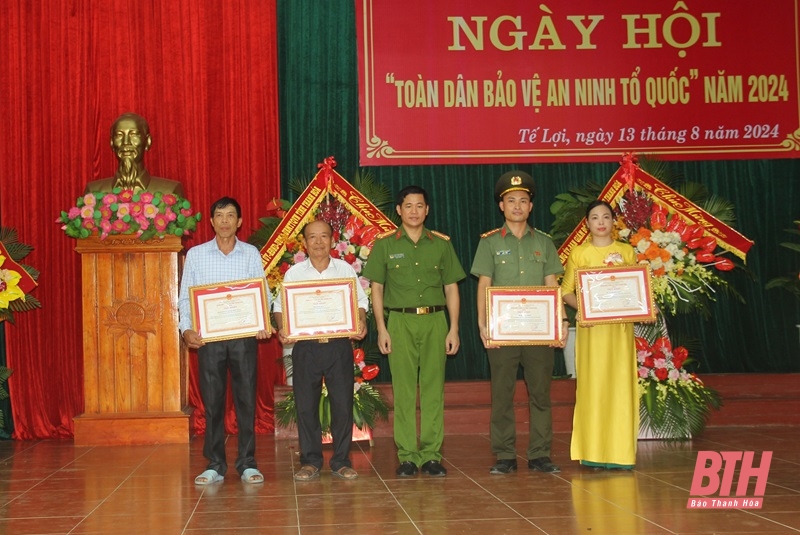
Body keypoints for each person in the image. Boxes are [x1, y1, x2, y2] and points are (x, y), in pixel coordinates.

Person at [362, 185, 465, 478]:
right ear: (398, 210)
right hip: (400, 322)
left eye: (420, 206)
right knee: (404, 390)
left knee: (433, 390)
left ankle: (431, 455)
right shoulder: (385, 245)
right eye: (408, 206)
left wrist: (454, 328)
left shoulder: (441, 244)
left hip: (435, 321)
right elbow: (377, 289)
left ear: (427, 210)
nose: (414, 211)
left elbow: (451, 288)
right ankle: (407, 455)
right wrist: (381, 328)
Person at [470, 170, 568, 475]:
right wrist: (483, 324)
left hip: (539, 333)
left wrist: (561, 322)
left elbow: (553, 285)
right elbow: (483, 285)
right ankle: (505, 454)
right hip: (503, 332)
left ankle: (540, 454)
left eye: (523, 201)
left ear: (530, 206)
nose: (517, 206)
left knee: (541, 394)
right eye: (510, 200)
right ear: (501, 206)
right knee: (502, 394)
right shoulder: (489, 243)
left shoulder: (544, 242)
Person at [178, 197, 274, 485]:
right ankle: (215, 464)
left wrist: (262, 323)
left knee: (246, 401)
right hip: (209, 340)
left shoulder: (250, 253)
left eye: (230, 215)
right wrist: (186, 330)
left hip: (244, 338)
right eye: (219, 215)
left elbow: (263, 294)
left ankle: (247, 463)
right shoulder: (196, 254)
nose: (224, 221)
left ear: (239, 222)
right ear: (211, 221)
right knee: (213, 403)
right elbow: (185, 298)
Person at [273, 220, 369, 482]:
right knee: (305, 406)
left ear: (331, 240)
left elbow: (360, 301)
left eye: (323, 236)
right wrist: (283, 327)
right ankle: (310, 461)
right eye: (312, 237)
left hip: (338, 346)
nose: (318, 242)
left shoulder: (345, 269)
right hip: (306, 348)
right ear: (304, 242)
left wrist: (360, 321)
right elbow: (279, 306)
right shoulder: (294, 274)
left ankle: (341, 461)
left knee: (342, 404)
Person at [561, 200, 639, 470]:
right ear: (587, 224)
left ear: (614, 221)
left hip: (619, 332)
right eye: (595, 218)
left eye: (606, 216)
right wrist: (585, 308)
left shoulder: (627, 252)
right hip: (591, 332)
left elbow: (636, 289)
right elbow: (566, 290)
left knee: (620, 387)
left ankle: (621, 453)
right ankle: (592, 452)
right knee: (593, 387)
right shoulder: (579, 254)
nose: (601, 222)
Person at [85, 112, 184, 195]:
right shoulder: (94, 192)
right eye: (119, 135)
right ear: (111, 143)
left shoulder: (170, 191)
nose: (126, 142)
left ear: (148, 141)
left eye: (134, 134)